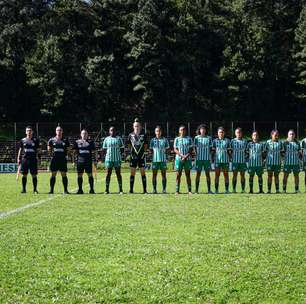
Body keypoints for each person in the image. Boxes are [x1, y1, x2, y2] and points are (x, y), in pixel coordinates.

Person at [127, 119, 148, 194]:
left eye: (138, 126)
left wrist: (143, 153)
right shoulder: (130, 135)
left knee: (143, 173)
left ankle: (145, 190)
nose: (136, 127)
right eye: (135, 126)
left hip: (141, 157)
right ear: (133, 126)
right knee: (132, 173)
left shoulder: (144, 135)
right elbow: (129, 145)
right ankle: (131, 190)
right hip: (133, 157)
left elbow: (145, 145)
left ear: (140, 127)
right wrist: (131, 153)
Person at [17, 126, 40, 193]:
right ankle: (24, 189)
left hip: (33, 159)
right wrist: (18, 158)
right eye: (27, 130)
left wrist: (39, 158)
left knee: (34, 175)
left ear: (32, 132)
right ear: (25, 132)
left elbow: (38, 150)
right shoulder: (23, 140)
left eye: (30, 130)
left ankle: (35, 189)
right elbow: (20, 149)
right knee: (24, 174)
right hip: (25, 159)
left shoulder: (36, 140)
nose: (29, 132)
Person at [48, 126, 70, 194]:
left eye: (60, 130)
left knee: (64, 174)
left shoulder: (65, 140)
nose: (59, 131)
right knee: (53, 174)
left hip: (62, 159)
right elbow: (49, 148)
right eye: (57, 130)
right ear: (55, 131)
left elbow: (68, 149)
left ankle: (65, 190)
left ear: (62, 131)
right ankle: (51, 190)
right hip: (54, 159)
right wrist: (51, 155)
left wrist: (66, 155)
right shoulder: (52, 140)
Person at [102, 126, 124, 194]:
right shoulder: (106, 139)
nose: (112, 132)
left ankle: (120, 190)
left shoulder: (119, 139)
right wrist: (105, 157)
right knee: (108, 174)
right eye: (111, 130)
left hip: (117, 159)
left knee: (118, 174)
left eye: (113, 130)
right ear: (109, 131)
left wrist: (119, 155)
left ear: (115, 131)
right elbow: (104, 149)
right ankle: (106, 189)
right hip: (108, 159)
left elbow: (122, 148)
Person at [73, 129, 96, 194]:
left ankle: (91, 190)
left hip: (88, 161)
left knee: (90, 175)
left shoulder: (91, 142)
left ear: (87, 135)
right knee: (79, 175)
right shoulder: (77, 142)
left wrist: (95, 160)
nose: (84, 135)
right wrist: (73, 161)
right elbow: (74, 152)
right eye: (83, 133)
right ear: (81, 134)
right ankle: (80, 190)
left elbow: (94, 152)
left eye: (85, 133)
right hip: (80, 162)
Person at [149, 126, 170, 194]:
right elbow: (150, 149)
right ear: (155, 132)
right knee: (154, 175)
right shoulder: (152, 140)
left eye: (159, 131)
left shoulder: (165, 140)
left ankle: (164, 190)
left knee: (163, 175)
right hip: (155, 160)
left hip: (163, 160)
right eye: (157, 131)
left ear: (161, 132)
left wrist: (165, 153)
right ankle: (154, 190)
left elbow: (168, 149)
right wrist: (153, 155)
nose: (158, 132)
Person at [173, 125, 193, 195]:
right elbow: (175, 149)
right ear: (179, 131)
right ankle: (177, 190)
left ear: (185, 131)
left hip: (187, 159)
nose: (182, 131)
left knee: (188, 174)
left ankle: (189, 190)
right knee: (178, 175)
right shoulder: (177, 139)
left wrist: (185, 156)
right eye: (181, 130)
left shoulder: (189, 139)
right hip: (179, 159)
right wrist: (182, 156)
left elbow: (191, 149)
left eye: (184, 130)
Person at [194, 124, 213, 194]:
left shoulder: (209, 138)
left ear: (206, 130)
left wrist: (209, 155)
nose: (203, 130)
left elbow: (211, 148)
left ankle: (209, 190)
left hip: (206, 159)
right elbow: (194, 148)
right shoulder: (196, 138)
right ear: (199, 130)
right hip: (199, 159)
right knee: (198, 174)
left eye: (204, 129)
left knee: (207, 174)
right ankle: (196, 190)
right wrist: (196, 155)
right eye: (201, 129)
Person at [212, 127, 231, 194]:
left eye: (222, 132)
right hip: (217, 161)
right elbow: (213, 151)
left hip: (225, 161)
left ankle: (227, 190)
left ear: (224, 133)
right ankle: (216, 190)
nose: (221, 133)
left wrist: (230, 158)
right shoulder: (214, 141)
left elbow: (229, 151)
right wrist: (212, 159)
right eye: (220, 132)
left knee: (226, 175)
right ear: (217, 133)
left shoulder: (227, 141)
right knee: (217, 175)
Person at [230, 128, 248, 193]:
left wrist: (245, 157)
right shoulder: (232, 141)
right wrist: (231, 158)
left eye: (240, 132)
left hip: (242, 162)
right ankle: (234, 189)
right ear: (235, 133)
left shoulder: (245, 141)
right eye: (237, 132)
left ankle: (243, 189)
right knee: (234, 175)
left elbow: (247, 151)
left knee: (242, 175)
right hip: (235, 161)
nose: (238, 134)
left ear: (241, 133)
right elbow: (230, 151)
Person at [266, 129, 283, 194]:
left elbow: (282, 152)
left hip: (277, 162)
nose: (276, 136)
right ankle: (269, 190)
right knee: (269, 176)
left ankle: (277, 190)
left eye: (277, 135)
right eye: (275, 135)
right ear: (272, 135)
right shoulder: (267, 142)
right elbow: (265, 152)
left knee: (276, 176)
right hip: (269, 163)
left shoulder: (280, 143)